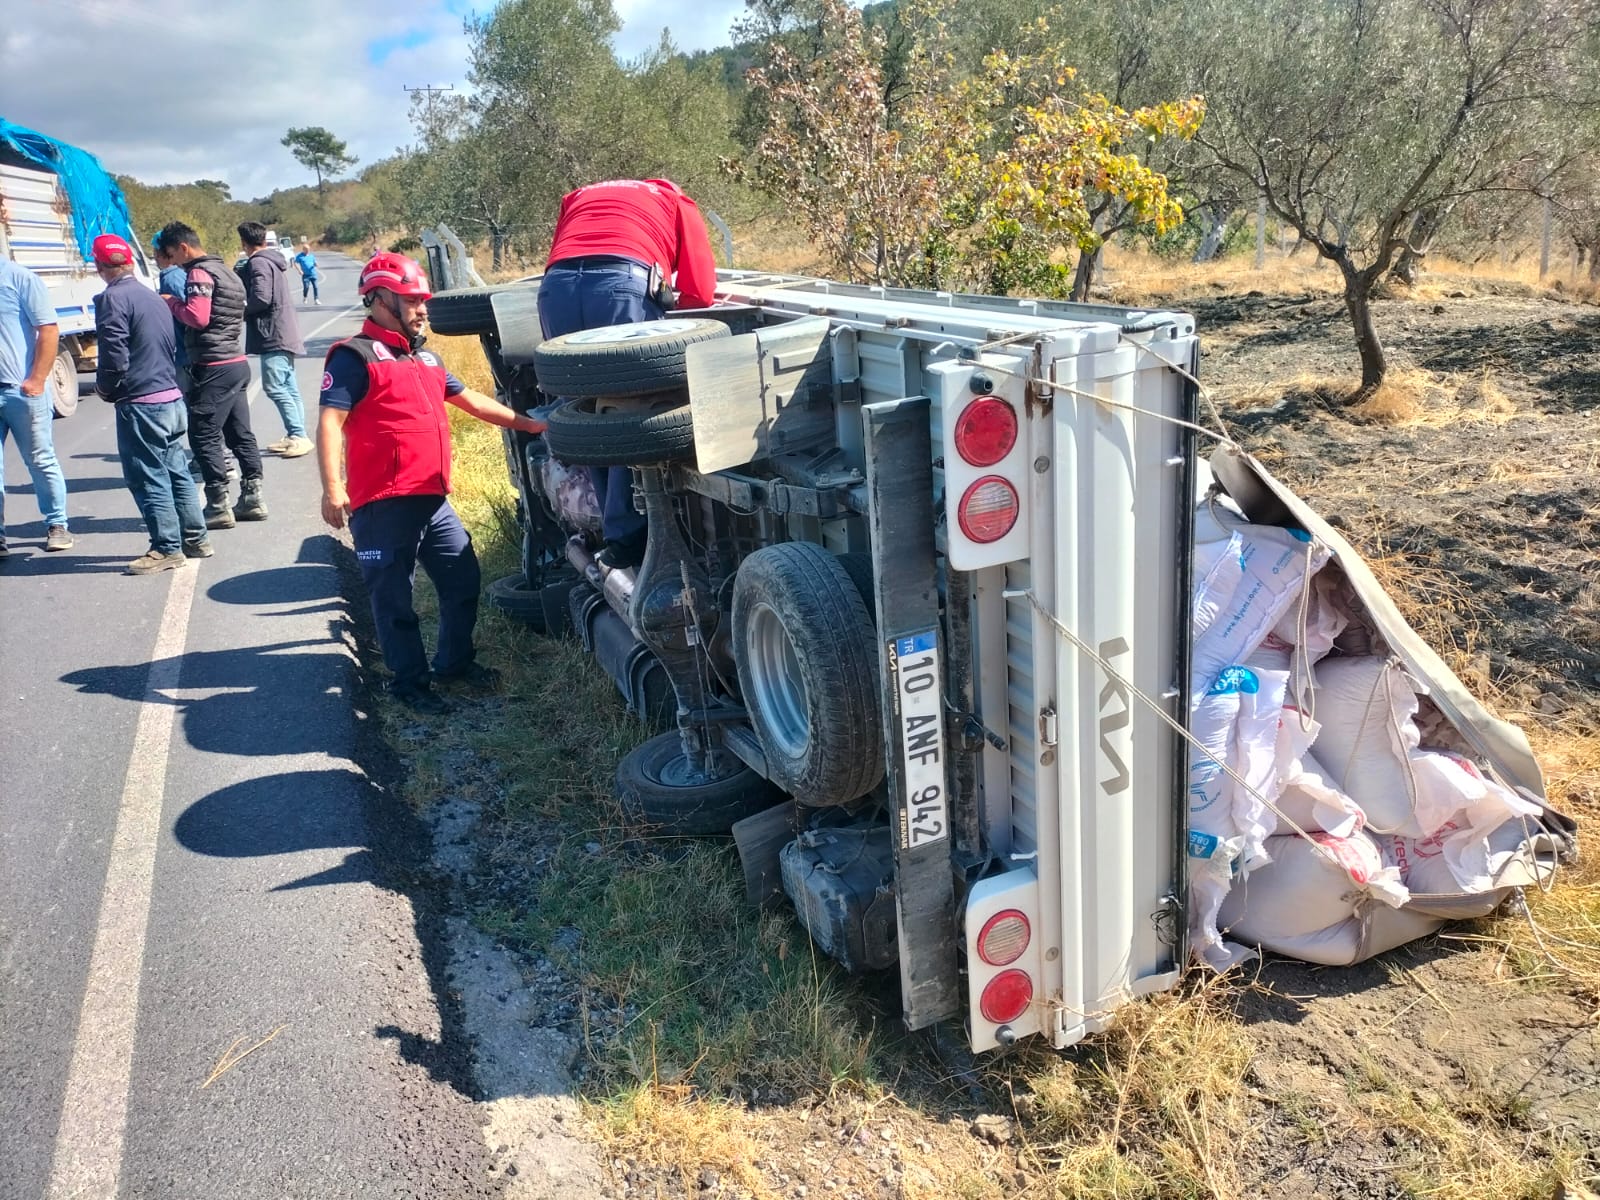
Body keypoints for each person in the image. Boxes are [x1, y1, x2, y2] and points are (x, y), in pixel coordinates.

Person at [318, 253, 547, 714]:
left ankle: (455, 664)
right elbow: (329, 421)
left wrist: (533, 426)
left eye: (423, 300)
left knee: (463, 579)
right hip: (382, 503)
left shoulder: (426, 358)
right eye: (412, 300)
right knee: (393, 600)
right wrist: (332, 487)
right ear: (379, 300)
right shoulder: (354, 357)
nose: (422, 308)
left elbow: (475, 402)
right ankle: (409, 684)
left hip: (432, 499)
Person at [536, 177, 717, 569]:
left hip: (556, 288)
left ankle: (607, 523)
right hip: (622, 283)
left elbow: (564, 254)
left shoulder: (579, 195)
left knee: (582, 405)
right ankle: (631, 533)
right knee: (628, 404)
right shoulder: (673, 198)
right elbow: (701, 290)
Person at [90, 234, 212, 574]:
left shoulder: (112, 299)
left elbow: (114, 355)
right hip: (170, 396)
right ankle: (196, 538)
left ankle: (166, 548)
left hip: (142, 401)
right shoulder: (151, 296)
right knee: (177, 471)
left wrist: (105, 388)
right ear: (129, 261)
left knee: (148, 477)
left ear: (99, 266)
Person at [155, 220, 266, 528]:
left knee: (204, 434)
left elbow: (198, 316)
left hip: (212, 366)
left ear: (183, 248)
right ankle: (253, 498)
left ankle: (218, 505)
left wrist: (172, 302)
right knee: (239, 432)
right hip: (235, 361)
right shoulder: (229, 271)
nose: (174, 263)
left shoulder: (199, 273)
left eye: (172, 255)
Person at [0, 255, 72, 558]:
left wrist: (37, 379)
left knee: (40, 460)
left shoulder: (20, 278)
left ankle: (57, 524)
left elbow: (48, 329)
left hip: (20, 390)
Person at [237, 221, 312, 458]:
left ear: (244, 242)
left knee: (275, 387)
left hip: (273, 334)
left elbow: (261, 298)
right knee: (288, 385)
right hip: (283, 331)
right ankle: (296, 434)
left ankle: (298, 436)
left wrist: (241, 310)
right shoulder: (273, 261)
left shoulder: (258, 263)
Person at [293, 239, 320, 304]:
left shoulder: (311, 256)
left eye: (309, 250)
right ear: (304, 249)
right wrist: (299, 270)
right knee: (306, 287)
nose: (308, 251)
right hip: (305, 275)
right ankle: (305, 297)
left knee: (316, 286)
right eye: (307, 250)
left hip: (313, 274)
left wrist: (316, 264)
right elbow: (295, 263)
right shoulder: (300, 256)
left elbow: (314, 262)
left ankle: (316, 299)